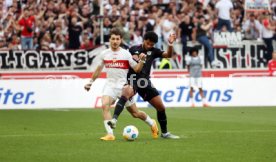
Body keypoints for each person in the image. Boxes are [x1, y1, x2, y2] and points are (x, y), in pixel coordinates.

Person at [84, 28, 158, 141]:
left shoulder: (126, 54)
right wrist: (90, 82)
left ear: (120, 40)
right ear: (109, 39)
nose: (115, 41)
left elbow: (137, 69)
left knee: (135, 113)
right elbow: (98, 70)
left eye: (117, 39)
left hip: (123, 87)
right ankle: (110, 134)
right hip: (110, 85)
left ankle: (152, 123)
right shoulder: (104, 54)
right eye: (113, 39)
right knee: (104, 105)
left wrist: (142, 60)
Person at [108, 31, 180, 139]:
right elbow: (131, 61)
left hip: (145, 82)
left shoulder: (154, 51)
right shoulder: (133, 49)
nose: (149, 46)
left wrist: (170, 44)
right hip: (132, 80)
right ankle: (114, 120)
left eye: (152, 44)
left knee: (161, 107)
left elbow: (168, 55)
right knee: (128, 95)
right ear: (144, 40)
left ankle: (165, 133)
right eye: (148, 43)